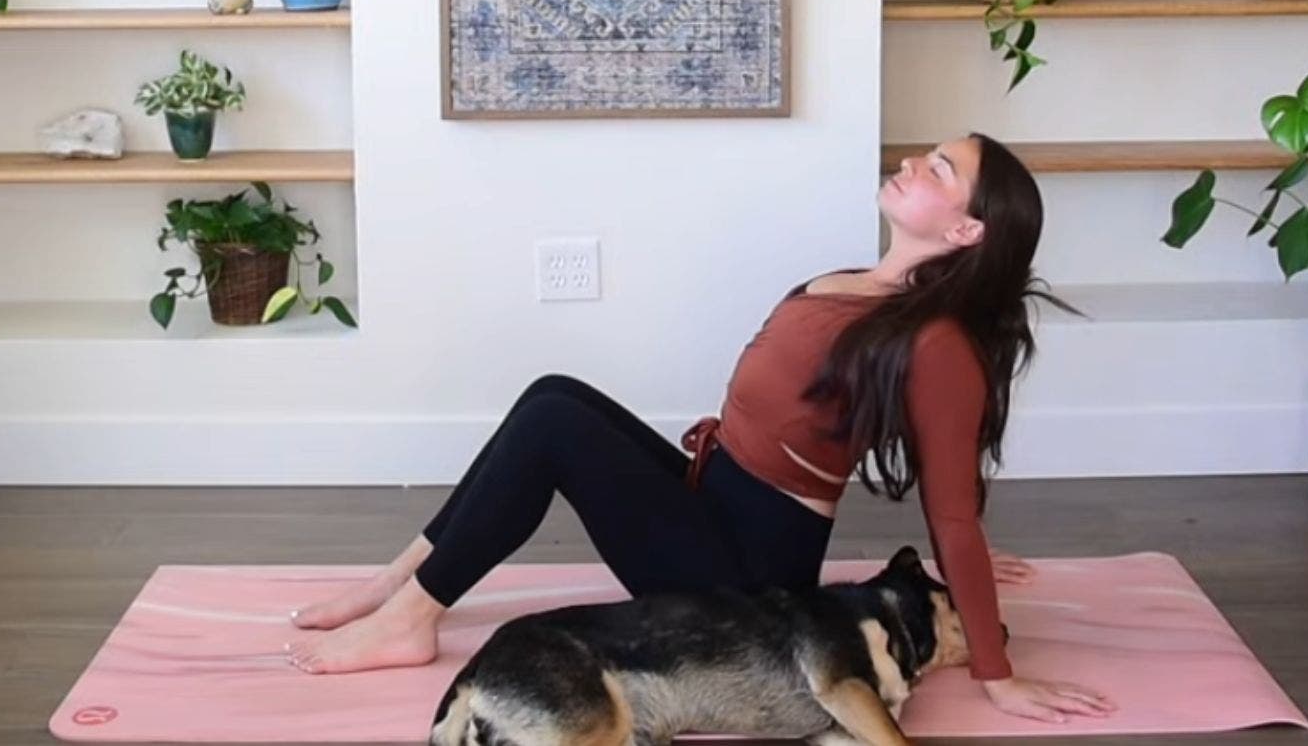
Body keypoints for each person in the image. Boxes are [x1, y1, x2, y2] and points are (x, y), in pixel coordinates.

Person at [283, 133, 1116, 725]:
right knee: (553, 397)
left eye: (938, 168)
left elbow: (953, 507)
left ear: (966, 230)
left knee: (552, 431)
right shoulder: (865, 283)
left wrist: (997, 669)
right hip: (714, 496)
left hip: (746, 572)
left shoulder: (936, 344)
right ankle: (402, 584)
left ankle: (411, 620)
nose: (911, 161)